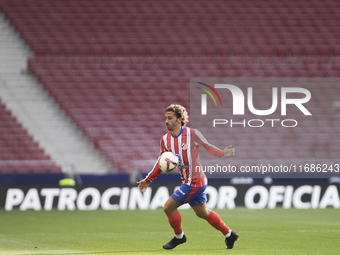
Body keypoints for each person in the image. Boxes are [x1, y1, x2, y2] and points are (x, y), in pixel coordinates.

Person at [137, 104, 238, 250]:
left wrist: (223, 153)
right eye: (165, 118)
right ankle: (229, 234)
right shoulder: (165, 140)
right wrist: (148, 180)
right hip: (187, 181)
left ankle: (179, 237)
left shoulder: (193, 133)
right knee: (202, 213)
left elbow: (207, 146)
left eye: (170, 118)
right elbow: (161, 163)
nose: (166, 121)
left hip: (195, 181)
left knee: (168, 207)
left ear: (179, 119)